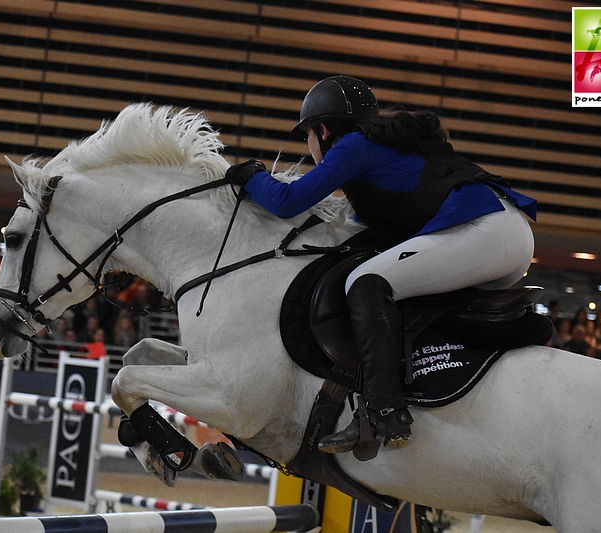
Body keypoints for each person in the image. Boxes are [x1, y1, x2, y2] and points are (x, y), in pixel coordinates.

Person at [226, 75, 537, 460]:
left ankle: (383, 408)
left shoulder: (355, 143)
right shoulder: (382, 156)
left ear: (322, 129)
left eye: (307, 135)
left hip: (486, 230)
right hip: (498, 232)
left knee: (366, 281)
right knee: (389, 284)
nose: (309, 146)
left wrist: (252, 175)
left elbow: (289, 201)